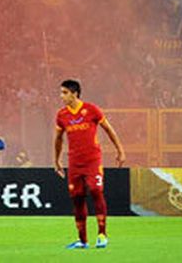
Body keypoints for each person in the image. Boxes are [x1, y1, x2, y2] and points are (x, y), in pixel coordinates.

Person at [53, 79, 126, 250]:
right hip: (74, 162)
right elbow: (58, 139)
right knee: (77, 198)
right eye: (61, 92)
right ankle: (82, 240)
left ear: (74, 93)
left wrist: (120, 150)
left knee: (95, 190)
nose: (61, 96)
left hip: (92, 161)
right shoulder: (61, 115)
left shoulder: (92, 110)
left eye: (64, 92)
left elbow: (109, 129)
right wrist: (56, 160)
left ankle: (102, 234)